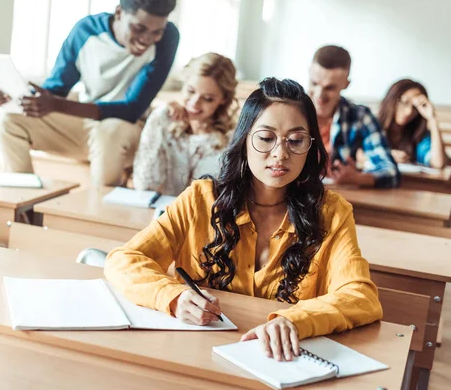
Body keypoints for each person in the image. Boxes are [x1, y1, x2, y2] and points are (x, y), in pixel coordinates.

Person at [105, 78, 382, 361]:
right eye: (265, 138)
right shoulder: (200, 200)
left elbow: (360, 296)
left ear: (310, 147)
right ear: (245, 139)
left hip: (282, 361)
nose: (280, 154)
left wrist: (297, 320)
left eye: (296, 141)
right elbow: (123, 260)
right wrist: (172, 297)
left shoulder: (331, 213)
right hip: (198, 356)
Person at [0, 0, 179, 187]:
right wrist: (19, 99)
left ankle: (98, 210)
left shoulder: (168, 38)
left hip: (127, 133)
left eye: (157, 32)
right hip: (84, 126)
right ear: (119, 12)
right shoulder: (86, 31)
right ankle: (23, 204)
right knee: (2, 118)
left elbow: (131, 109)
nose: (146, 39)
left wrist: (56, 105)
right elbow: (56, 90)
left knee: (110, 131)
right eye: (138, 28)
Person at [133, 52, 238, 196]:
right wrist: (157, 119)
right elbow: (145, 185)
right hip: (164, 214)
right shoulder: (165, 121)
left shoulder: (233, 137)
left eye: (208, 98)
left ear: (224, 99)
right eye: (190, 91)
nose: (194, 103)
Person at [307, 45, 400, 188]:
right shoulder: (289, 110)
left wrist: (357, 178)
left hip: (334, 200)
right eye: (314, 83)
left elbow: (390, 171)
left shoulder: (360, 116)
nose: (320, 94)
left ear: (346, 84)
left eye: (330, 87)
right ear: (309, 73)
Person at [378, 79, 447, 169]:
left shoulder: (419, 136)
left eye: (415, 107)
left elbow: (438, 164)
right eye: (403, 102)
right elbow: (358, 154)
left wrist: (432, 119)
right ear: (391, 100)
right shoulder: (372, 126)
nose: (409, 112)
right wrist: (386, 155)